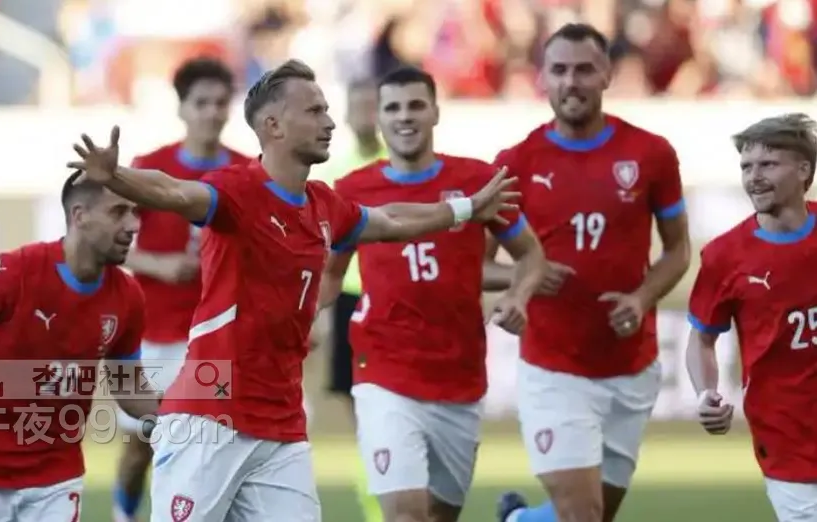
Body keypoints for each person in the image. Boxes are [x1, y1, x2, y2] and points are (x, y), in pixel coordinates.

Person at [66, 58, 518, 522]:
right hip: (211, 417)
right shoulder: (238, 191)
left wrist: (465, 209)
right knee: (135, 450)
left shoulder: (324, 203)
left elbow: (390, 220)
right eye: (315, 111)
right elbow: (175, 192)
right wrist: (116, 177)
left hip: (281, 427)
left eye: (327, 110)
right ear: (273, 125)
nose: (329, 122)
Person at [321, 66, 546, 522]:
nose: (405, 116)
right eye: (393, 108)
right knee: (405, 515)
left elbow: (531, 254)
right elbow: (330, 274)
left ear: (436, 112)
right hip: (383, 372)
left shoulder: (479, 181)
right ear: (379, 118)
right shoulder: (352, 190)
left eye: (415, 105)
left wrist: (518, 296)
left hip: (458, 375)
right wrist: (296, 318)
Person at [494, 23, 691, 522]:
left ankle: (520, 521)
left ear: (607, 75)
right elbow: (475, 264)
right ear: (542, 78)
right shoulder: (516, 163)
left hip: (631, 364)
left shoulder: (650, 154)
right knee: (582, 514)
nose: (571, 81)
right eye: (559, 70)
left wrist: (641, 299)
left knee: (595, 515)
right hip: (553, 368)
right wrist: (524, 282)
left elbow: (677, 251)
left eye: (584, 69)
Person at [0, 171, 160, 522]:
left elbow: (128, 386)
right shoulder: (12, 273)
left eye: (135, 212)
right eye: (118, 212)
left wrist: (180, 413)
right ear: (79, 215)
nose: (133, 225)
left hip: (57, 477)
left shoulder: (128, 297)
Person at [112, 56, 250, 522]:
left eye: (220, 102)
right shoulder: (150, 168)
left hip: (216, 340)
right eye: (201, 102)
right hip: (152, 333)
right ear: (182, 108)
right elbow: (109, 243)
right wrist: (159, 264)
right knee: (140, 447)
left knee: (211, 451)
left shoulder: (246, 172)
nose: (212, 112)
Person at [686, 113, 817, 522]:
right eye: (746, 167)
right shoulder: (725, 257)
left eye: (768, 164)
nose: (754, 177)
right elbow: (701, 339)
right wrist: (705, 394)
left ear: (803, 170)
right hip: (787, 437)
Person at [313, 78, 387, 522]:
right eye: (358, 105)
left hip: (393, 294)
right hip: (350, 298)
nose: (365, 115)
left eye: (372, 105)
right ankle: (375, 504)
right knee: (361, 408)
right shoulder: (335, 173)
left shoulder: (398, 164)